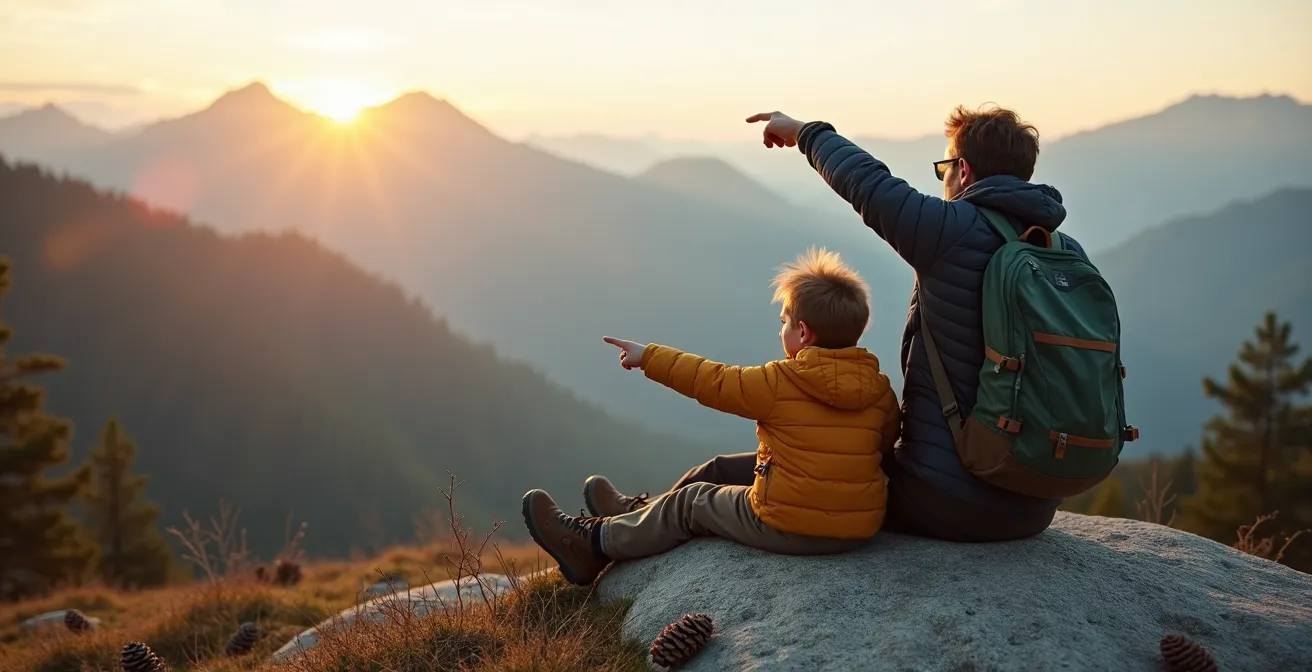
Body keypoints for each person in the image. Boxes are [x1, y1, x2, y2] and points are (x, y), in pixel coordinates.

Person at [728, 105, 1092, 542]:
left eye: (945, 167)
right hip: (1034, 504)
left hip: (941, 500)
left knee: (745, 470)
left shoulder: (951, 230)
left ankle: (637, 530)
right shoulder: (1064, 250)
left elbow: (867, 181)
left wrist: (806, 132)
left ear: (963, 169)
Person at [521, 248, 901, 586]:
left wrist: (648, 356)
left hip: (795, 525)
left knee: (693, 502)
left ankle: (591, 543)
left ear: (803, 333)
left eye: (784, 322)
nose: (781, 329)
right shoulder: (880, 389)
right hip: (858, 526)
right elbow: (879, 446)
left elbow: (712, 380)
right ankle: (640, 513)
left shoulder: (780, 381)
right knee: (720, 467)